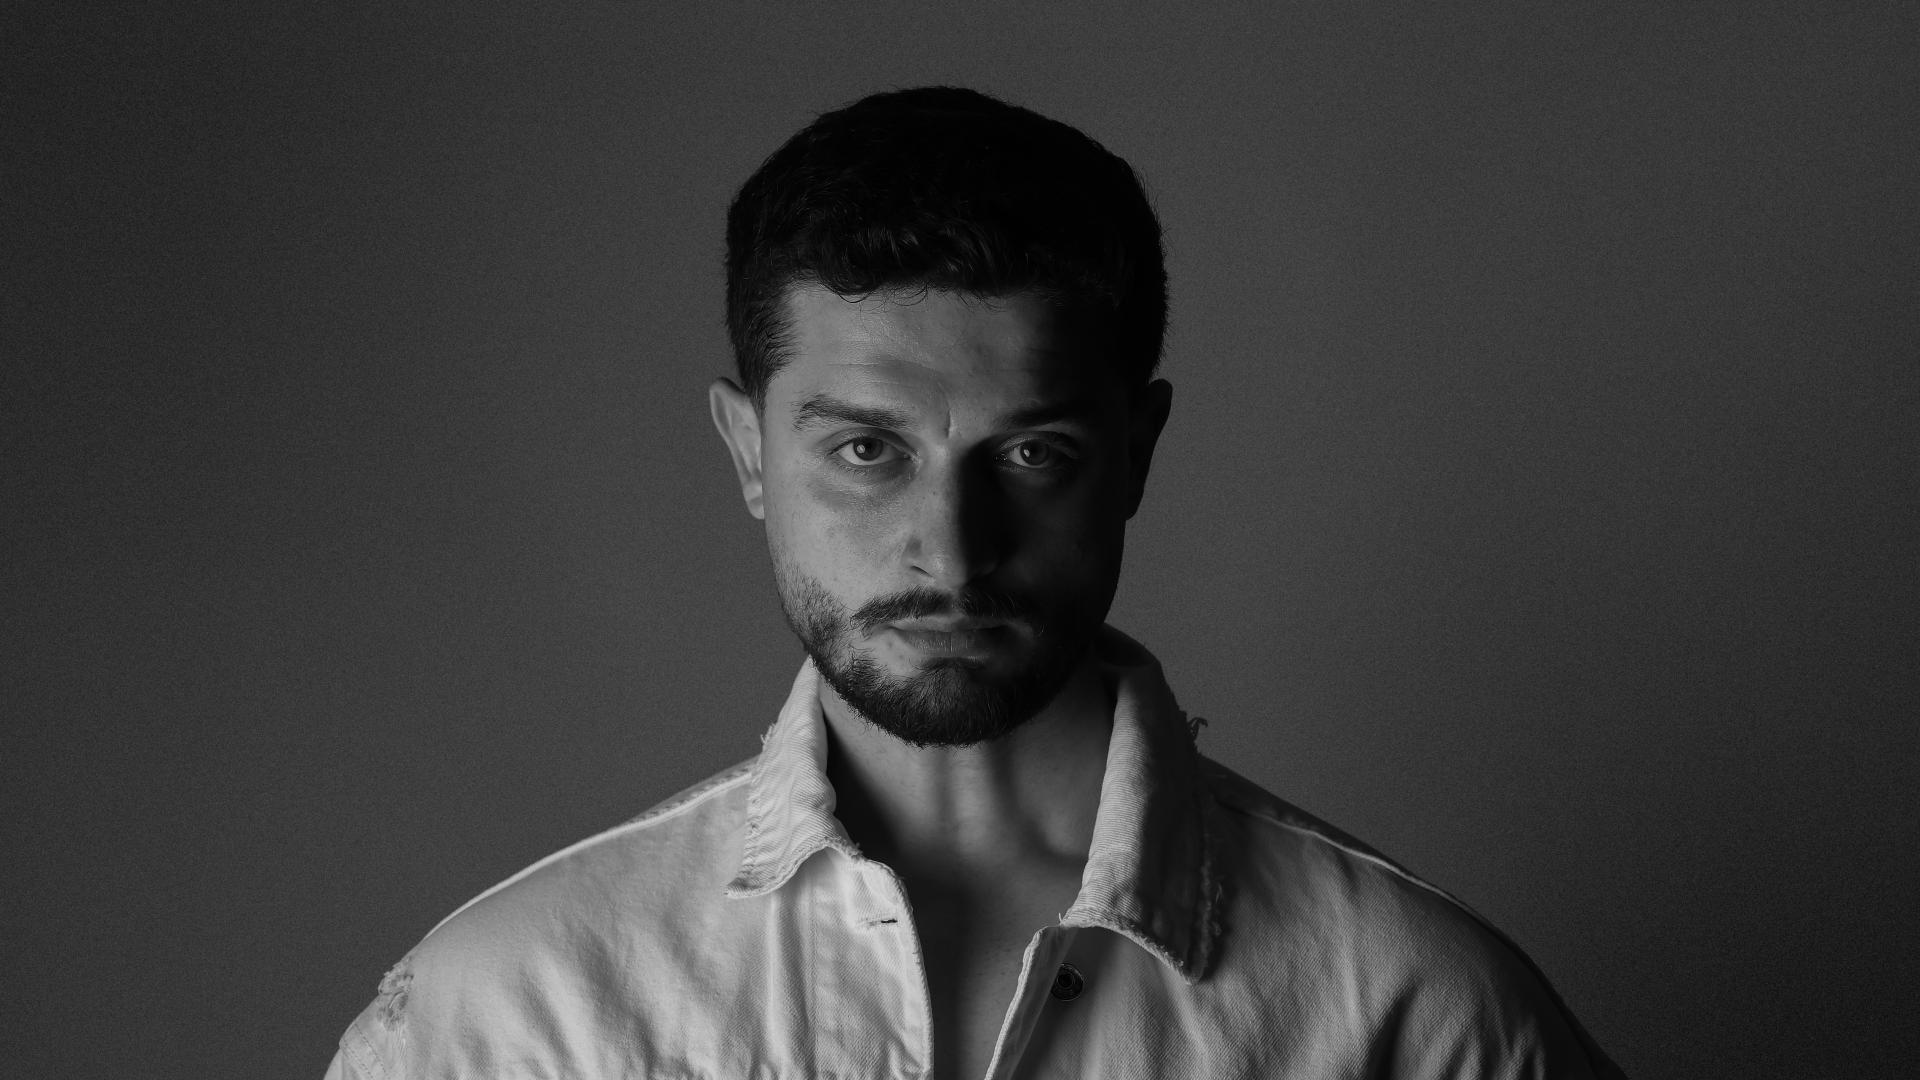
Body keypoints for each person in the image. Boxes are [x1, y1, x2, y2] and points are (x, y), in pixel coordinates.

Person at [324, 86, 1624, 1080]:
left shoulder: (1414, 1012)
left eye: (1031, 453)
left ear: (1134, 454)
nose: (950, 551)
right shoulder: (510, 1015)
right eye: (866, 450)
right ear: (750, 454)